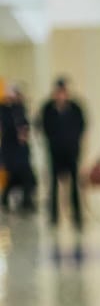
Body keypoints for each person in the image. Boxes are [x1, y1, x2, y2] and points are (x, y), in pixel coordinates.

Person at [40, 76, 86, 232]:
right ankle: (54, 216)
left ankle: (77, 216)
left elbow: (82, 126)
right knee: (53, 185)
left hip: (71, 152)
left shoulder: (75, 108)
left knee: (74, 184)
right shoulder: (48, 109)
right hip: (55, 152)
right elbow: (44, 127)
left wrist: (74, 141)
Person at [0, 84, 36, 214]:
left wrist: (24, 133)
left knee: (24, 177)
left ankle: (25, 201)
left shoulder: (20, 109)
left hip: (21, 150)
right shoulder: (4, 110)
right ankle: (14, 200)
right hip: (11, 150)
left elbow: (25, 125)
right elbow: (7, 128)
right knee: (17, 176)